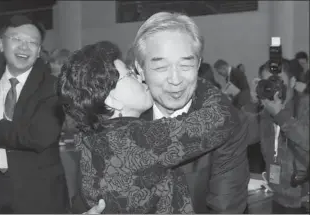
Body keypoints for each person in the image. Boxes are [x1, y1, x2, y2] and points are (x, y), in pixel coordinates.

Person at [59, 40, 241, 214]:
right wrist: (187, 77)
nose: (140, 77)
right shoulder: (135, 140)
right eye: (130, 75)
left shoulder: (91, 139)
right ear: (111, 99)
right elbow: (222, 116)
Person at [125, 12, 249, 213]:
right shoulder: (121, 118)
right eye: (160, 66)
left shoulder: (227, 124)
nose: (175, 79)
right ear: (140, 68)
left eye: (185, 65)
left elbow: (225, 208)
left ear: (198, 65)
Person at [0, 15, 69, 213]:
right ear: (2, 44)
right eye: (17, 39)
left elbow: (38, 136)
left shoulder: (52, 86)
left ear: (38, 52)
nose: (24, 47)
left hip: (38, 194)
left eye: (32, 42)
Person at [242, 59, 309, 213]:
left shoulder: (305, 106)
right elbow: (243, 137)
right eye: (268, 83)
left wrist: (281, 115)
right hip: (277, 196)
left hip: (304, 199)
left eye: (278, 81)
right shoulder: (266, 112)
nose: (274, 88)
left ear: (292, 82)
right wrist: (252, 103)